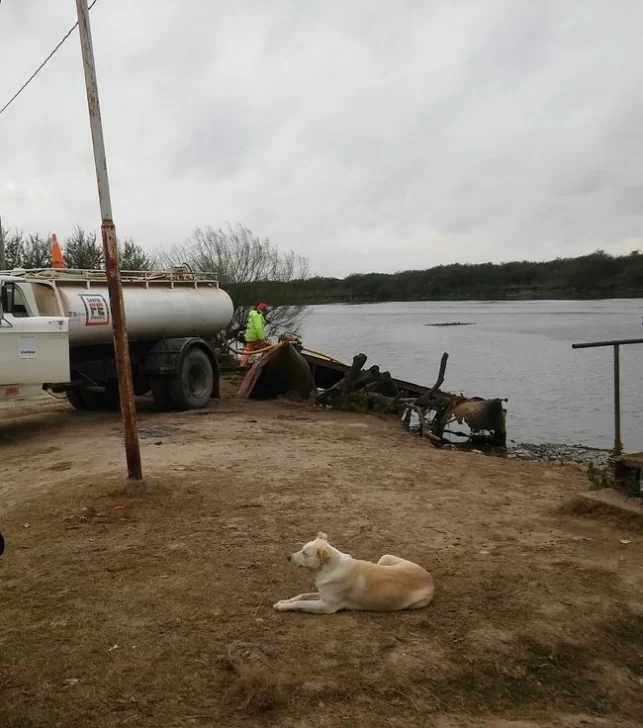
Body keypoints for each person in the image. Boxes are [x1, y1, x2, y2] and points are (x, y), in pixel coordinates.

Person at [240, 302, 268, 367]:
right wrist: (262, 339)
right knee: (266, 348)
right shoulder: (257, 316)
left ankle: (242, 365)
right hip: (255, 337)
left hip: (250, 337)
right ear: (263, 310)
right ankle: (265, 364)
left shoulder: (253, 314)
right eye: (265, 310)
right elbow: (258, 328)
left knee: (248, 351)